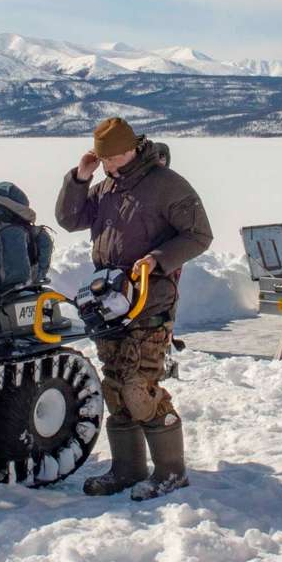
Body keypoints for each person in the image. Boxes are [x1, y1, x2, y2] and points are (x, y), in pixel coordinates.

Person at [56, 117, 212, 501]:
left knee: (139, 387)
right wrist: (79, 178)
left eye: (113, 157)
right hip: (110, 302)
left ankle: (171, 471)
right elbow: (70, 219)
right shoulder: (107, 185)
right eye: (103, 159)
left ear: (132, 148)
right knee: (114, 387)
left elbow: (199, 235)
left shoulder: (166, 185)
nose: (108, 164)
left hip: (150, 299)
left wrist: (158, 260)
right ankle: (126, 468)